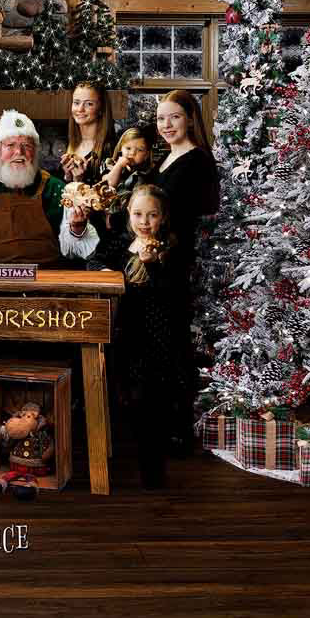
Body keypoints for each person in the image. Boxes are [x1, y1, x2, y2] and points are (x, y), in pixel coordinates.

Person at [87, 185, 183, 489]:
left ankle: (153, 470)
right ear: (128, 214)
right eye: (138, 214)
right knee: (126, 397)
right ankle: (127, 454)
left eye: (152, 215)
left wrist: (153, 265)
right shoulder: (120, 243)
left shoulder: (169, 246)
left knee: (152, 401)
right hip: (125, 332)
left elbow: (173, 292)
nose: (144, 221)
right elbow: (92, 261)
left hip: (158, 336)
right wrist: (108, 270)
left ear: (163, 217)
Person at [151, 89, 221, 456]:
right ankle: (160, 424)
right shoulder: (164, 159)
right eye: (161, 118)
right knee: (158, 344)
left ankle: (180, 430)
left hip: (175, 261)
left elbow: (195, 211)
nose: (166, 125)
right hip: (153, 260)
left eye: (173, 117)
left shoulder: (197, 161)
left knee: (174, 344)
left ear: (190, 118)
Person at [0, 109, 98, 266]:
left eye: (26, 145)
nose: (19, 152)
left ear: (35, 150)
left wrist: (77, 229)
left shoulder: (54, 189)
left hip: (47, 281)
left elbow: (80, 250)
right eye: (10, 145)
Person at [100, 125, 156, 231]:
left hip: (127, 218)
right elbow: (108, 184)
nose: (132, 153)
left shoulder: (146, 174)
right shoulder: (110, 164)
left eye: (139, 150)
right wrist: (119, 166)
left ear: (146, 155)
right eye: (128, 148)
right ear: (121, 147)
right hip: (105, 212)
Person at [61, 81, 117, 185]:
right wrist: (68, 176)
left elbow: (108, 197)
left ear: (101, 109)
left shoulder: (111, 149)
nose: (80, 109)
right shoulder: (66, 144)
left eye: (89, 104)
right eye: (76, 103)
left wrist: (79, 181)